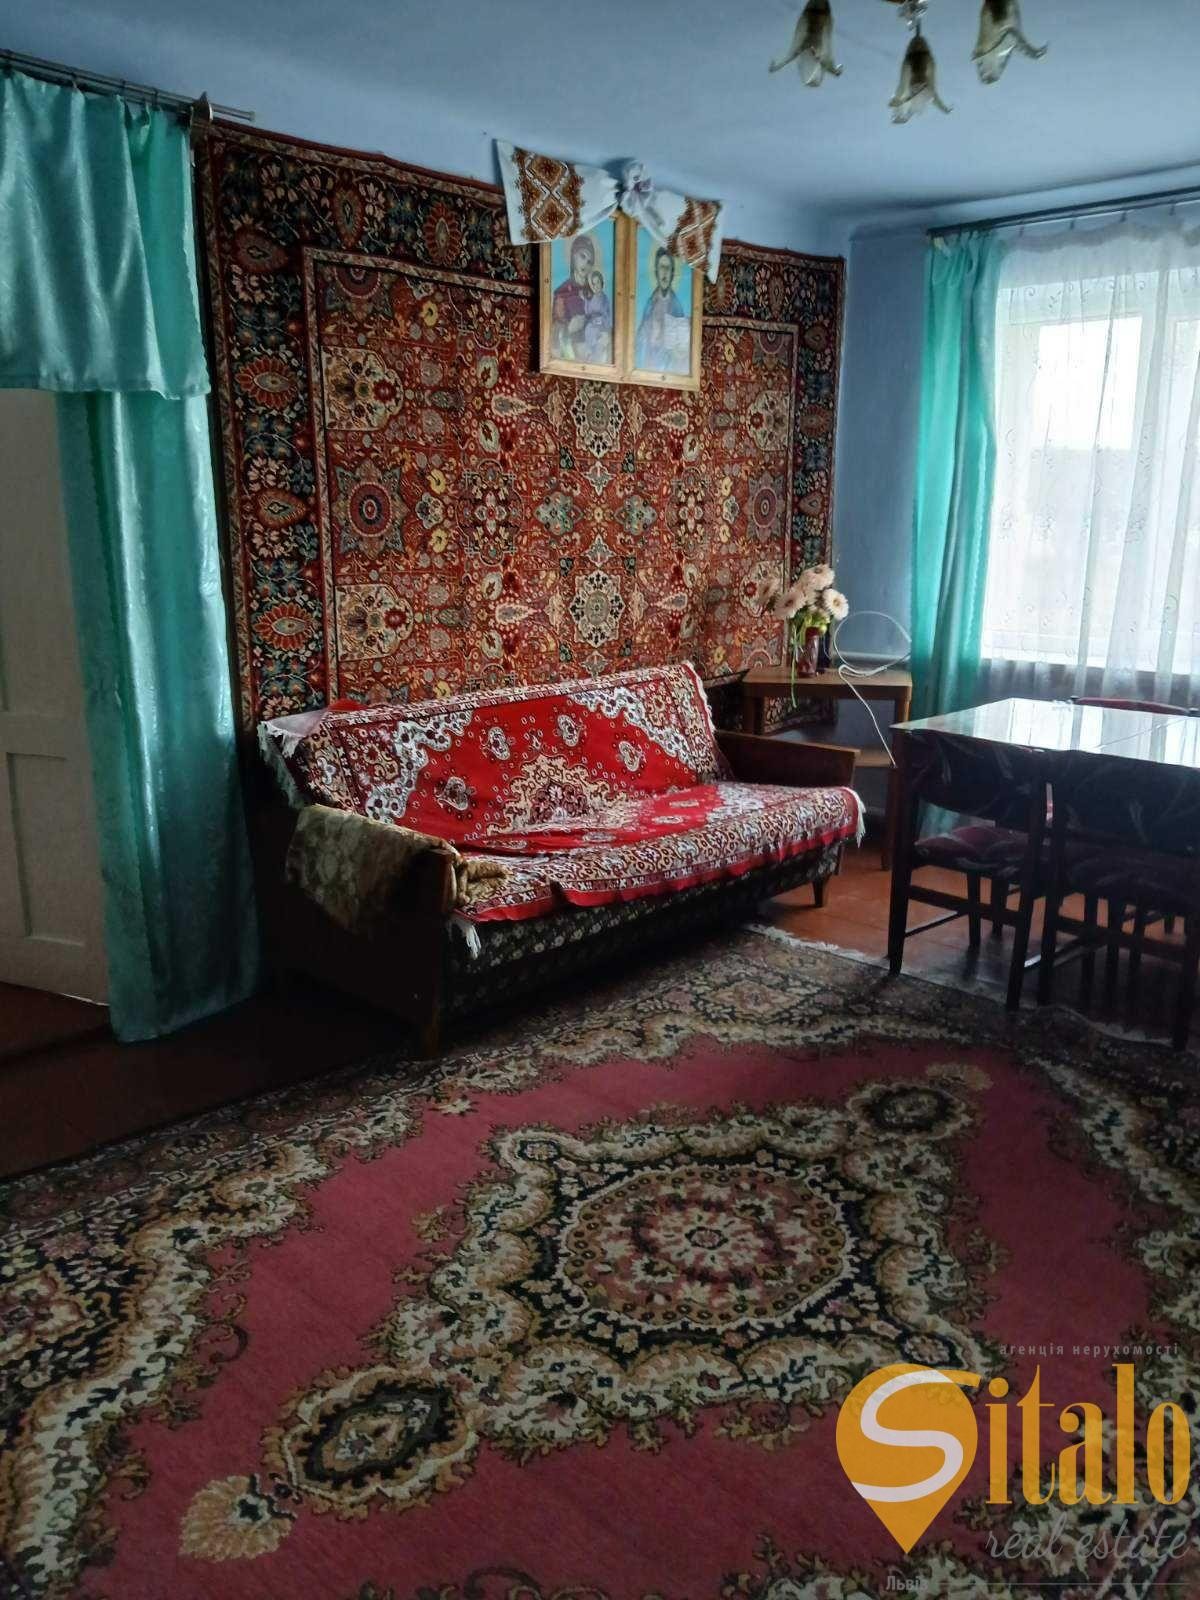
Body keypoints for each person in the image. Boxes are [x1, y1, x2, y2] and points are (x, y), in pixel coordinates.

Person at [635, 246, 689, 374]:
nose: (664, 273)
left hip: (669, 365)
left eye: (668, 268)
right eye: (661, 267)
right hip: (649, 362)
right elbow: (640, 338)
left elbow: (682, 342)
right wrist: (650, 328)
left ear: (672, 273)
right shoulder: (650, 303)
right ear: (656, 272)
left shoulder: (676, 306)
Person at [551, 234, 597, 360]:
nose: (585, 264)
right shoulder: (562, 292)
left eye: (589, 262)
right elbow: (554, 332)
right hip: (570, 355)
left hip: (592, 356)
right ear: (573, 256)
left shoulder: (594, 294)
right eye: (582, 256)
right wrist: (569, 328)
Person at [581, 267, 612, 363]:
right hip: (591, 327)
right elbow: (587, 312)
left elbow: (608, 316)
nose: (596, 286)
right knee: (589, 331)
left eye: (597, 282)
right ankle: (590, 355)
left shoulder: (605, 299)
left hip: (601, 327)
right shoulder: (591, 298)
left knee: (599, 346)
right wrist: (585, 300)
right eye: (593, 284)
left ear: (601, 282)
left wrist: (603, 324)